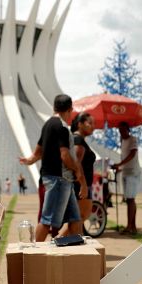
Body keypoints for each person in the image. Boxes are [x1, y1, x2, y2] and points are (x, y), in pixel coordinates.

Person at [19, 94, 86, 241]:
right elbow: (65, 156)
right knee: (47, 221)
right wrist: (77, 172)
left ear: (54, 108)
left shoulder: (47, 125)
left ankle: (76, 254)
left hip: (58, 179)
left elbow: (38, 152)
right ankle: (32, 253)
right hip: (59, 179)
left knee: (75, 219)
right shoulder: (61, 127)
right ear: (70, 109)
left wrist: (29, 161)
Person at [111, 121, 140, 235]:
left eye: (123, 130)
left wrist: (120, 164)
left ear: (128, 130)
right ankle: (132, 226)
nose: (121, 133)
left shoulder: (133, 139)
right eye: (120, 131)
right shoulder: (122, 141)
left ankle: (130, 226)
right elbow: (124, 155)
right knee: (129, 199)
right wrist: (120, 167)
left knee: (131, 199)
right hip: (125, 172)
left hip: (133, 172)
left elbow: (132, 154)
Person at [72, 112, 96, 235]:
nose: (93, 126)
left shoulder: (79, 140)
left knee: (78, 219)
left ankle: (76, 246)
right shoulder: (78, 140)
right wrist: (83, 185)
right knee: (79, 217)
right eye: (90, 123)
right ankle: (58, 241)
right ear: (80, 124)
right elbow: (76, 163)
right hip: (80, 186)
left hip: (81, 185)